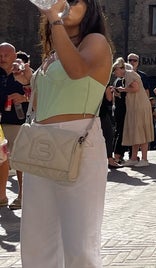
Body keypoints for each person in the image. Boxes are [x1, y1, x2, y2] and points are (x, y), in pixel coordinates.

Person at [12, 0, 112, 266]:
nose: (65, 3)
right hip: (43, 141)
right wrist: (29, 79)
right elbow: (54, 97)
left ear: (90, 8)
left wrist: (54, 20)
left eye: (75, 0)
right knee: (36, 239)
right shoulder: (56, 50)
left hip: (78, 141)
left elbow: (77, 71)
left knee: (79, 241)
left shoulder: (96, 41)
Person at [0, 43, 29, 209]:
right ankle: (2, 196)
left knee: (19, 160)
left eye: (6, 55)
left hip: (16, 121)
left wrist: (23, 98)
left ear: (14, 56)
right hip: (0, 122)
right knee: (1, 160)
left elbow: (36, 93)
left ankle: (22, 195)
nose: (2, 58)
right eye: (0, 55)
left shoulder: (22, 73)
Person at [113, 58, 154, 167]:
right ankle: (133, 158)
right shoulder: (127, 75)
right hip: (136, 106)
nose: (114, 73)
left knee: (142, 131)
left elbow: (135, 88)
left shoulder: (129, 74)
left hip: (139, 106)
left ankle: (144, 159)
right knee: (136, 131)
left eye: (115, 70)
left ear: (120, 68)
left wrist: (123, 89)